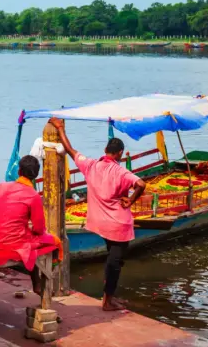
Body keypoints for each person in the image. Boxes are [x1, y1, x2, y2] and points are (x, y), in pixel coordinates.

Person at [49, 117, 146, 311]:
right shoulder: (120, 172)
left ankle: (109, 296)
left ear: (105, 151)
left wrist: (60, 129)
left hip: (100, 224)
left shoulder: (91, 165)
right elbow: (141, 184)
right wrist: (131, 199)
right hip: (118, 225)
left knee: (113, 257)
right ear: (119, 154)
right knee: (115, 262)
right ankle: (108, 301)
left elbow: (70, 150)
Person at [0, 155, 56, 298]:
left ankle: (37, 280)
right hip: (17, 243)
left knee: (29, 237)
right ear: (35, 175)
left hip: (0, 239)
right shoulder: (33, 196)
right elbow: (39, 229)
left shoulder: (2, 186)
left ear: (19, 171)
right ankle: (41, 281)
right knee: (54, 241)